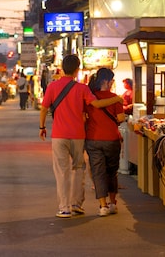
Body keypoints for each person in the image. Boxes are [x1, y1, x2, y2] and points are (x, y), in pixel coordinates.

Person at [39, 54, 123, 218]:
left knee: (61, 172)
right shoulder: (82, 89)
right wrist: (117, 99)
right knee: (78, 169)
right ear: (77, 70)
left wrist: (42, 127)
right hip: (78, 135)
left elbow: (44, 109)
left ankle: (64, 208)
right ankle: (76, 204)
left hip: (59, 136)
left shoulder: (52, 87)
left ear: (62, 69)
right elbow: (97, 104)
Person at [85, 68, 125, 216]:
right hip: (112, 140)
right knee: (111, 172)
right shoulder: (115, 98)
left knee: (98, 172)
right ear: (107, 81)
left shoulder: (90, 97)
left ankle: (103, 206)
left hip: (93, 139)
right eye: (112, 80)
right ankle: (113, 203)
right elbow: (120, 118)